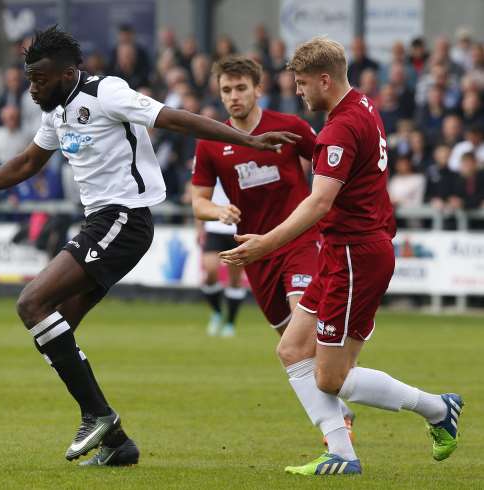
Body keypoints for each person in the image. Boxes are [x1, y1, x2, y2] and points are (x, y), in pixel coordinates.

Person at [0, 26, 299, 467]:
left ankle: (97, 414)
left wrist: (247, 140)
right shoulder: (56, 112)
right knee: (54, 328)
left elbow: (171, 117)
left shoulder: (107, 92)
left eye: (39, 78)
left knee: (31, 303)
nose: (33, 87)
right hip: (102, 222)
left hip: (125, 218)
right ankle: (116, 441)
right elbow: (27, 162)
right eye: (29, 78)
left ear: (66, 73)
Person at [220, 37, 463, 476]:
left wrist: (265, 244)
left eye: (302, 82)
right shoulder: (362, 105)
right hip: (344, 252)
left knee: (331, 377)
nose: (298, 91)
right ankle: (342, 455)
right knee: (293, 349)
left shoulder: (339, 129)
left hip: (355, 256)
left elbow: (318, 204)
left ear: (324, 79)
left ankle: (436, 409)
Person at [192, 55, 355, 437]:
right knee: (294, 348)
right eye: (226, 90)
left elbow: (328, 165)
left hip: (300, 240)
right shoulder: (213, 143)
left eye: (241, 88)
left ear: (257, 89)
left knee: (304, 336)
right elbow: (197, 200)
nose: (234, 97)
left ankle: (339, 427)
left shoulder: (290, 127)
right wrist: (218, 210)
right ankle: (341, 406)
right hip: (257, 252)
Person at [198, 179, 245, 337]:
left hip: (237, 229)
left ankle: (230, 323)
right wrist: (199, 228)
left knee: (235, 279)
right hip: (214, 227)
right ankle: (217, 311)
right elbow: (200, 198)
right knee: (210, 272)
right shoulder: (210, 164)